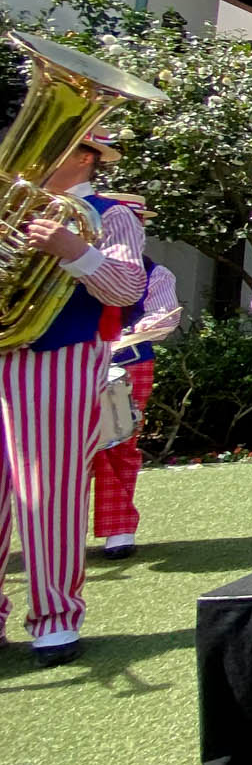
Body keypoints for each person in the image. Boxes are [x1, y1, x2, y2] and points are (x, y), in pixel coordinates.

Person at [0, 128, 145, 665]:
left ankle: (55, 618)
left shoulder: (112, 215)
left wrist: (74, 252)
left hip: (56, 355)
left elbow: (127, 289)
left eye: (53, 143)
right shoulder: (7, 205)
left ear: (85, 158)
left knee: (48, 491)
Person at [91, 245, 182, 559]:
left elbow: (164, 318)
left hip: (128, 362)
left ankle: (119, 528)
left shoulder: (155, 273)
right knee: (61, 449)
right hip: (66, 358)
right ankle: (60, 530)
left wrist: (150, 325)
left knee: (118, 442)